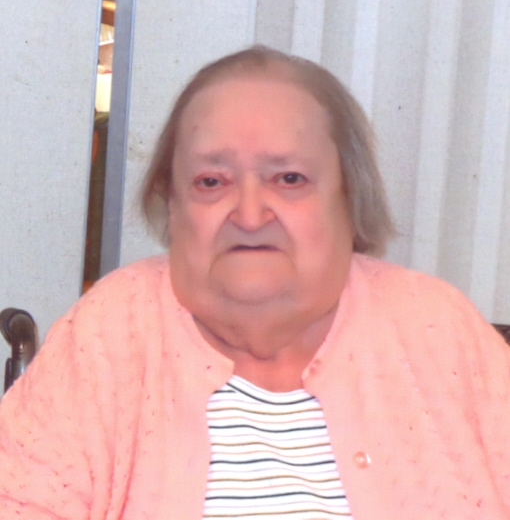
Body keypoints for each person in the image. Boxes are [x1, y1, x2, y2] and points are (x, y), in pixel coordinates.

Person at [1, 46, 510, 519]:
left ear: (350, 198)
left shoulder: (439, 328)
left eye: (289, 179)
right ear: (171, 204)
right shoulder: (109, 333)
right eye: (211, 182)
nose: (248, 215)